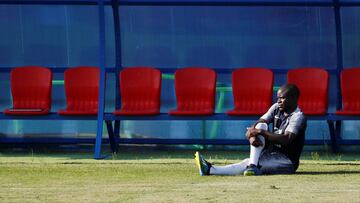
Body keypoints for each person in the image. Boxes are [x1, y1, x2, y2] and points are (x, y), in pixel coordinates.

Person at [194, 83, 307, 176]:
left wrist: (260, 132)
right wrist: (253, 135)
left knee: (248, 161)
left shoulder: (298, 116)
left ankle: (210, 170)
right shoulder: (276, 107)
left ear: (293, 98)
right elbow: (260, 122)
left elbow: (286, 139)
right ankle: (253, 166)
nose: (278, 101)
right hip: (269, 154)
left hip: (286, 161)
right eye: (278, 98)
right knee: (260, 127)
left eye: (282, 98)